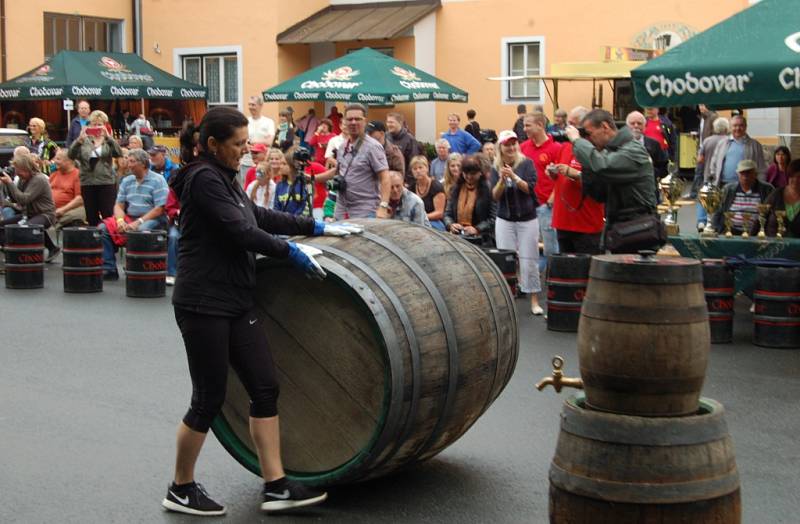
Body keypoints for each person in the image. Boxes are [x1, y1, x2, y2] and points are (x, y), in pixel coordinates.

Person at [164, 105, 362, 516]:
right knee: (208, 397)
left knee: (264, 386)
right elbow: (240, 232)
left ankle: (276, 485)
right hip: (203, 301)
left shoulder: (225, 177)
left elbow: (257, 215)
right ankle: (180, 487)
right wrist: (288, 251)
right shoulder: (202, 179)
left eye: (246, 143)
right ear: (213, 145)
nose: (245, 151)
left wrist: (315, 226)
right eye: (238, 145)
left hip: (236, 298)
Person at [566, 109, 657, 253]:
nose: (588, 139)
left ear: (605, 127)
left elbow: (603, 165)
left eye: (589, 134)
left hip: (639, 229)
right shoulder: (611, 151)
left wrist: (578, 142)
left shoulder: (633, 150)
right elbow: (598, 194)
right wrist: (587, 161)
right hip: (619, 228)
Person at [490, 131, 542, 315]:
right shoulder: (495, 166)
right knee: (507, 260)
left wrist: (514, 176)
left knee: (529, 259)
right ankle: (508, 300)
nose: (511, 147)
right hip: (505, 218)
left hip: (527, 217)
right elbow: (495, 196)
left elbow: (529, 189)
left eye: (513, 143)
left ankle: (534, 300)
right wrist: (502, 181)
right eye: (507, 144)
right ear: (500, 148)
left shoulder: (526, 163)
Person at [98, 148, 168, 280]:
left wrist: (138, 222)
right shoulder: (127, 180)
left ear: (143, 164)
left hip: (154, 218)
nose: (128, 164)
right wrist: (120, 221)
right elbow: (119, 205)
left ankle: (136, 266)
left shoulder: (158, 180)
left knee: (140, 230)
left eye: (132, 161)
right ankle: (109, 268)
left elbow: (160, 208)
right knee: (103, 229)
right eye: (128, 161)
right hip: (130, 217)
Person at [549, 106, 604, 254]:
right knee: (566, 273)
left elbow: (599, 182)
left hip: (586, 222)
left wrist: (575, 174)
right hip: (563, 220)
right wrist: (554, 174)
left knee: (586, 269)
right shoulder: (565, 147)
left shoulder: (594, 150)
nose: (569, 128)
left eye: (573, 124)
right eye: (569, 123)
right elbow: (561, 179)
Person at [323, 103, 391, 220]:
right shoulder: (342, 147)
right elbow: (338, 172)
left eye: (357, 119)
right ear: (345, 121)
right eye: (350, 119)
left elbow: (385, 177)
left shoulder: (373, 147)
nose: (353, 122)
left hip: (364, 211)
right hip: (342, 210)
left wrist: (383, 206)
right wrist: (312, 178)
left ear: (365, 121)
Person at [520, 112, 561, 270]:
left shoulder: (556, 148)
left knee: (551, 247)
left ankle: (553, 280)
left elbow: (562, 177)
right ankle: (533, 279)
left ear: (540, 125)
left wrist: (553, 197)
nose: (524, 129)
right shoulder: (523, 147)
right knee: (529, 245)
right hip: (527, 206)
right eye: (524, 125)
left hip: (546, 206)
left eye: (528, 125)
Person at [0, 152, 59, 261]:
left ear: (26, 168)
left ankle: (24, 255)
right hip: (29, 214)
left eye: (19, 170)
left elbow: (24, 199)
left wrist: (10, 183)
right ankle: (11, 251)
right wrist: (6, 184)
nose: (17, 173)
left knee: (26, 229)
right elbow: (16, 199)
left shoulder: (39, 179)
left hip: (45, 214)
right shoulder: (23, 179)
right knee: (2, 226)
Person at [68, 110, 123, 226]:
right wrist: (79, 140)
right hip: (88, 182)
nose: (96, 127)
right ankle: (95, 242)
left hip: (106, 182)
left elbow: (119, 153)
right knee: (91, 216)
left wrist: (109, 137)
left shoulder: (108, 141)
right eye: (93, 124)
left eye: (99, 124)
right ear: (89, 125)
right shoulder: (84, 140)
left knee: (108, 215)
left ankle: (109, 241)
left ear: (104, 125)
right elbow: (71, 155)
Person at [444, 154, 496, 245]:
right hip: (458, 237)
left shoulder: (489, 190)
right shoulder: (455, 189)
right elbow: (447, 214)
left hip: (481, 239)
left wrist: (477, 229)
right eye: (465, 173)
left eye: (472, 174)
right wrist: (451, 225)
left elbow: (493, 218)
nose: (468, 177)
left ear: (480, 173)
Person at [711, 159, 774, 235]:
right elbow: (718, 211)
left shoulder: (767, 189)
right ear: (738, 174)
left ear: (755, 174)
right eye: (742, 173)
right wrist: (715, 229)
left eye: (748, 173)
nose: (745, 177)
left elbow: (773, 213)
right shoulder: (728, 189)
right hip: (731, 232)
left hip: (758, 233)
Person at [709, 115, 767, 187]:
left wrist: (761, 186)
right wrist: (713, 178)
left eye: (741, 125)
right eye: (735, 125)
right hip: (723, 184)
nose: (738, 128)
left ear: (745, 127)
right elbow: (714, 163)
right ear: (730, 127)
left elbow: (761, 169)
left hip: (746, 186)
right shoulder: (722, 143)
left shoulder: (755, 145)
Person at [695, 117, 731, 231]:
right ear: (726, 128)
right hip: (722, 176)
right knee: (721, 200)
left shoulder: (707, 140)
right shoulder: (729, 141)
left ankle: (702, 221)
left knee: (703, 198)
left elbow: (700, 159)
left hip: (708, 175)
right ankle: (717, 223)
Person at [625, 111, 669, 191]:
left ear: (645, 127)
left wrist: (650, 171)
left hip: (649, 190)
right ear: (627, 126)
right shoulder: (620, 144)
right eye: (632, 123)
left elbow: (664, 169)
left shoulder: (654, 144)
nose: (636, 126)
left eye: (639, 123)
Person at [761, 159, 800, 237]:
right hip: (772, 246)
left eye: (799, 177)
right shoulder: (776, 194)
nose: (795, 180)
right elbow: (761, 216)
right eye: (792, 176)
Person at [49, 150, 86, 230]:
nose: (55, 161)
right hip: (50, 212)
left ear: (69, 161)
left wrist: (63, 209)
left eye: (58, 159)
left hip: (67, 212)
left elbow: (80, 199)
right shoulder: (54, 174)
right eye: (55, 159)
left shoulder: (77, 175)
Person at [410, 155, 446, 230]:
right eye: (415, 169)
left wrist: (421, 217)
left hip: (434, 222)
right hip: (416, 222)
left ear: (427, 168)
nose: (418, 171)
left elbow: (439, 213)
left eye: (420, 167)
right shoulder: (411, 187)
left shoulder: (436, 186)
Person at [385, 112, 420, 186]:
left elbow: (413, 162)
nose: (388, 125)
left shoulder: (410, 139)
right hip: (387, 180)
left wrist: (407, 182)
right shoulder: (386, 137)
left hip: (403, 181)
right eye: (387, 122)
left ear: (400, 123)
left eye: (391, 122)